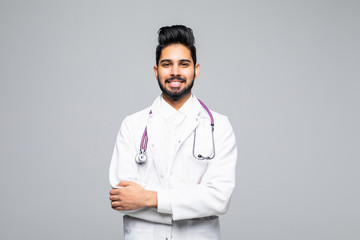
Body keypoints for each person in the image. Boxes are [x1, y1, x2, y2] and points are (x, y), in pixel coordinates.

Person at [109, 25, 237, 240]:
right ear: (156, 70)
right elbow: (123, 201)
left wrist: (148, 198)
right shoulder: (132, 125)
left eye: (183, 64)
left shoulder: (220, 126)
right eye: (167, 64)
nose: (175, 72)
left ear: (196, 70)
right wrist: (191, 204)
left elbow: (218, 199)